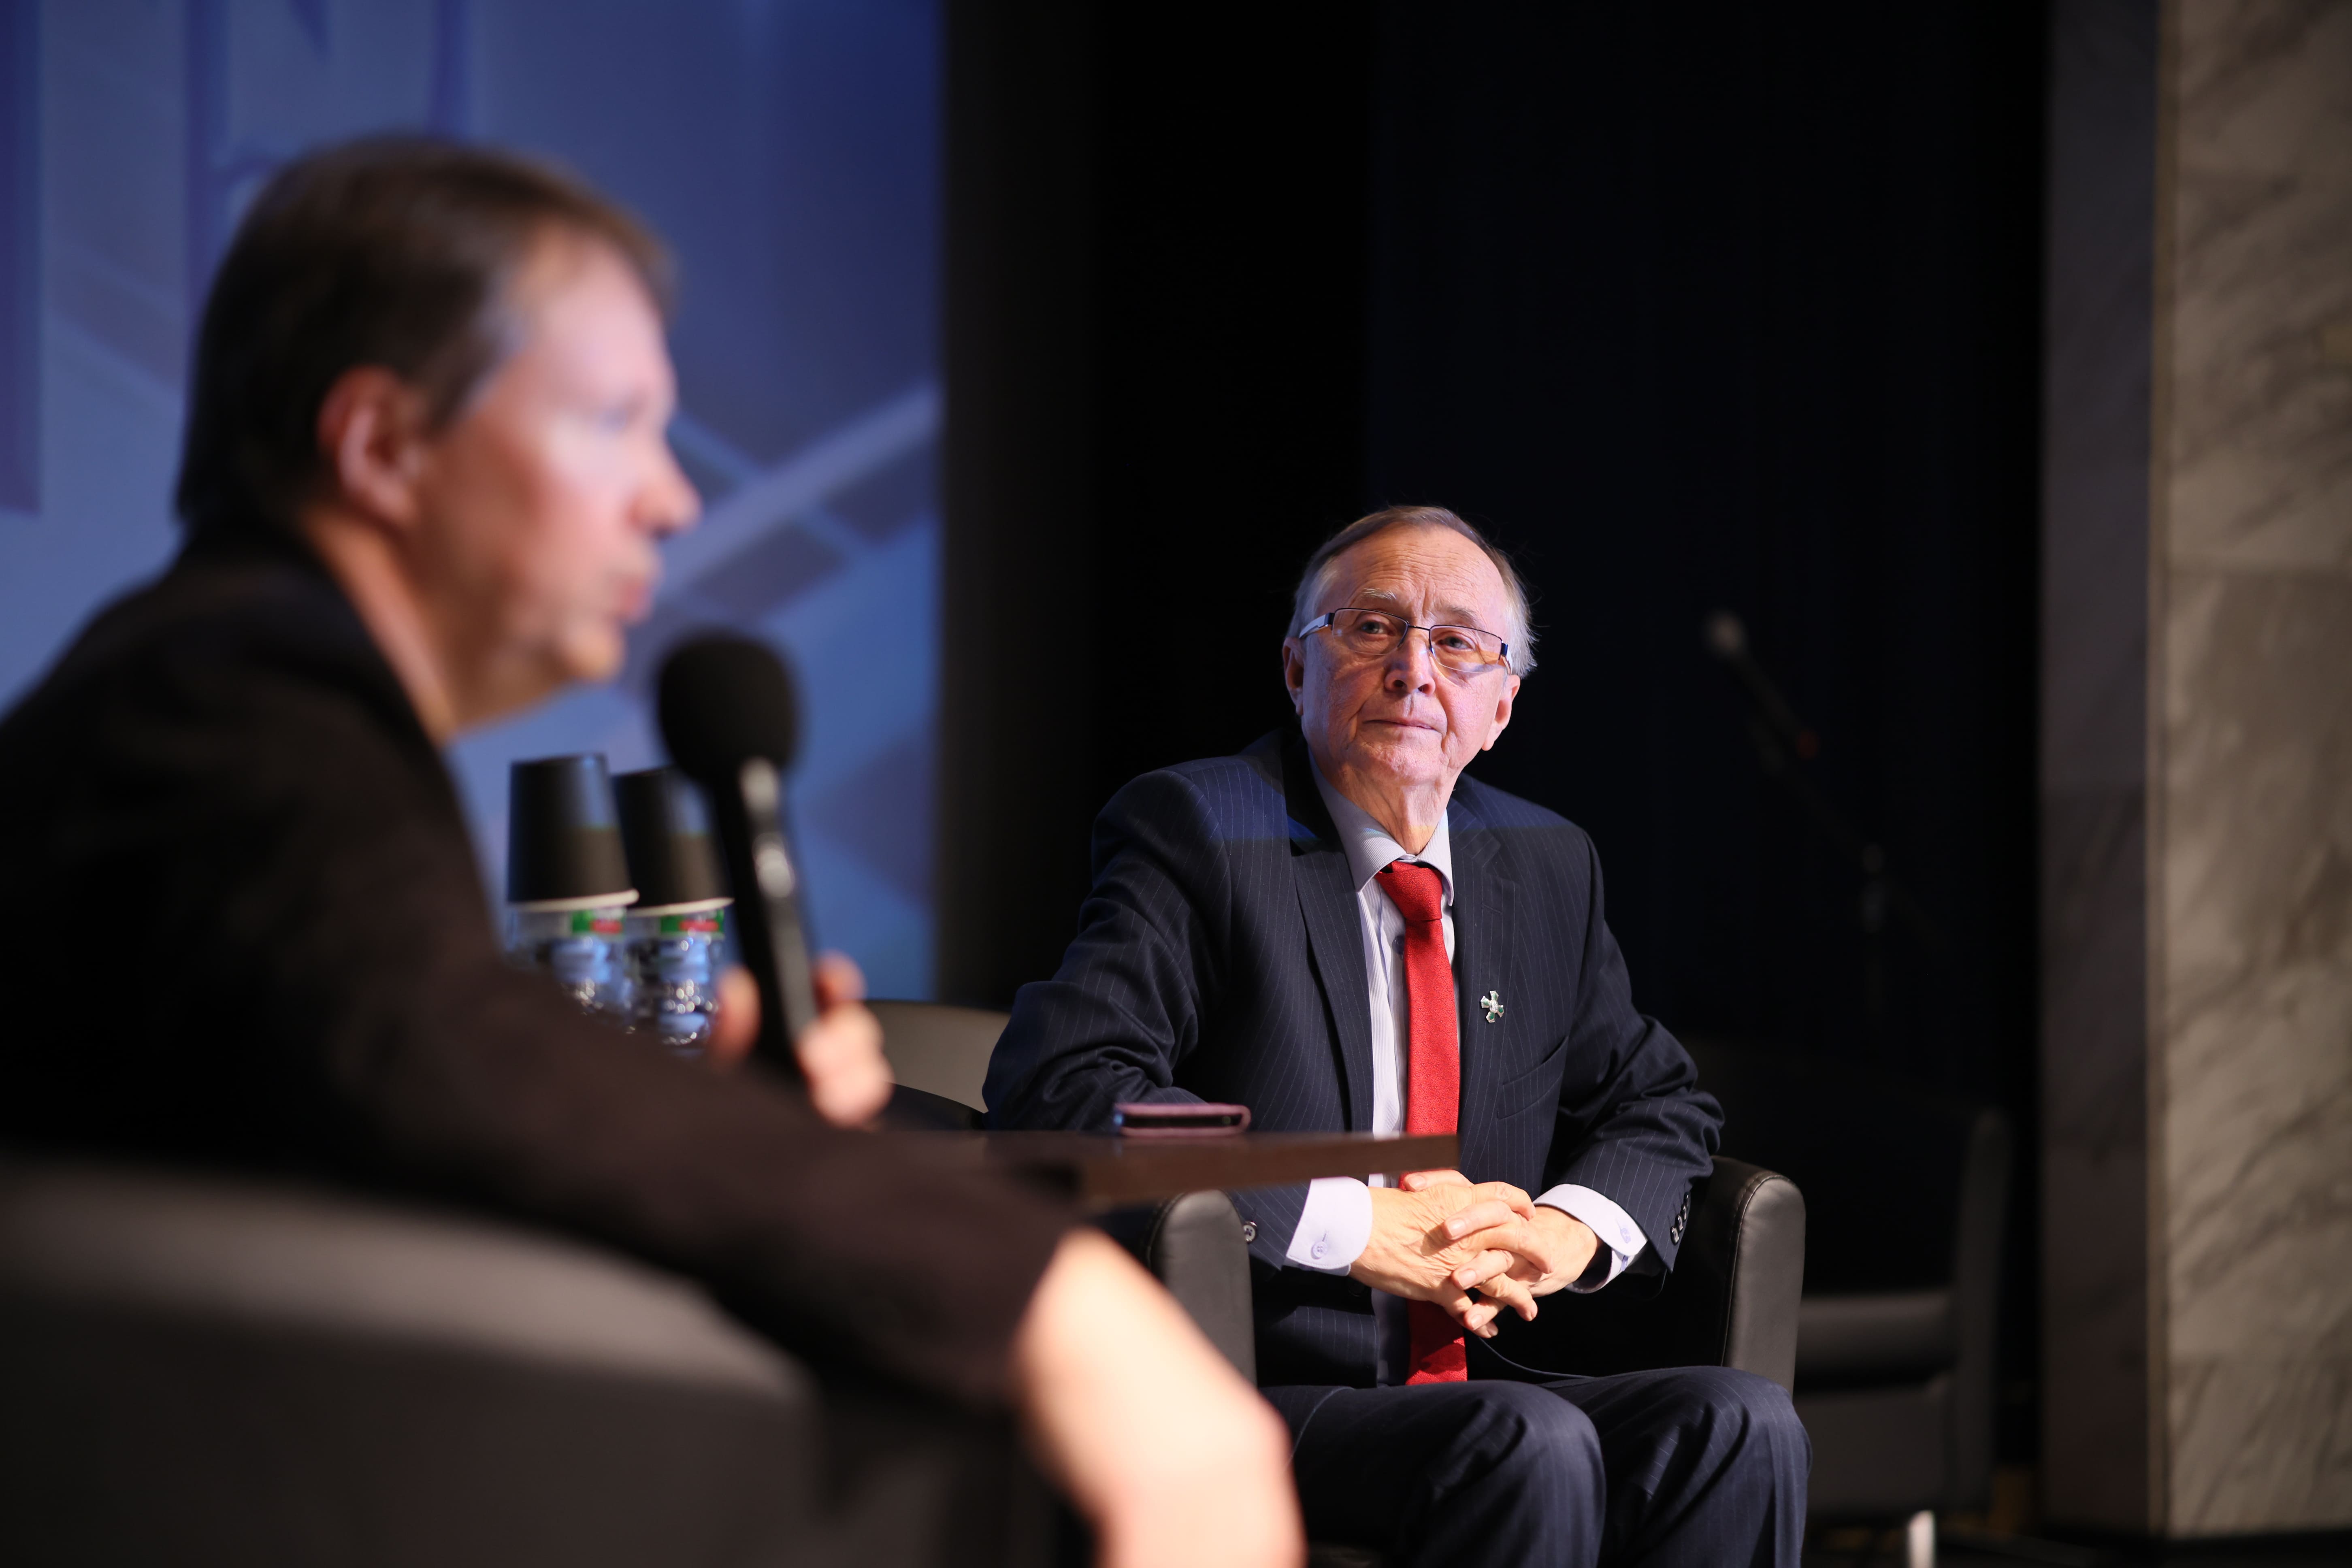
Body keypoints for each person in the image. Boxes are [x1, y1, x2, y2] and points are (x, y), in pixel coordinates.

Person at [0, 138, 1299, 1568]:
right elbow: (434, 1050)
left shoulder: (229, 691)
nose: (672, 501)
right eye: (615, 422)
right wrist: (1059, 1304)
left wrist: (722, 1113)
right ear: (382, 447)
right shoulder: (220, 708)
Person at [985, 506, 1809, 1566]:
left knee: (1742, 1423)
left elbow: (1657, 1099)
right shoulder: (1200, 828)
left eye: (1458, 642)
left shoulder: (1549, 864)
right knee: (1525, 1441)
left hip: (1491, 1374)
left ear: (1501, 706)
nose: (1415, 669)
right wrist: (1348, 1219)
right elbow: (1067, 1084)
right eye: (1373, 628)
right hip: (1256, 1381)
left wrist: (1570, 1229)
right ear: (1297, 669)